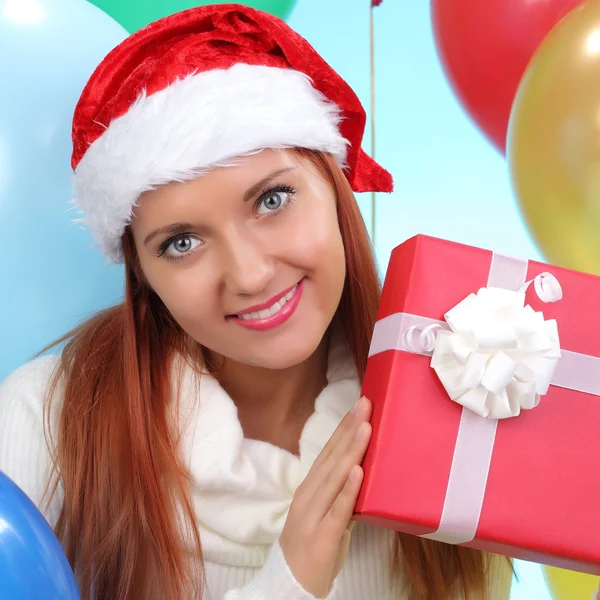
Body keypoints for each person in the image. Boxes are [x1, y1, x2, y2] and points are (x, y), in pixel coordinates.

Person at [0, 4, 513, 600]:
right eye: (182, 243)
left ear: (336, 183)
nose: (247, 276)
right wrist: (287, 583)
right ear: (143, 273)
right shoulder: (49, 419)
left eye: (272, 200)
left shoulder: (466, 394)